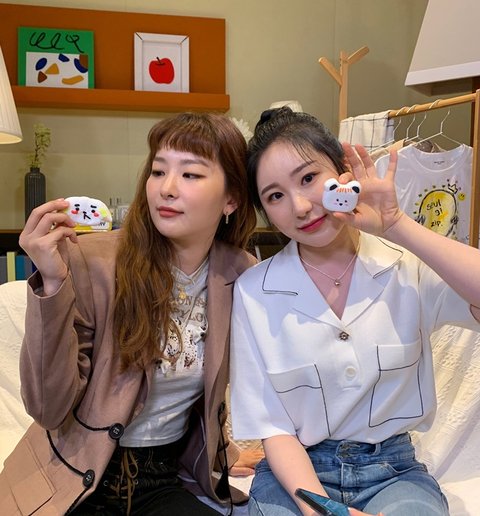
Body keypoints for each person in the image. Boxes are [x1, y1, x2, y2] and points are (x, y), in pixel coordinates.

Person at [0, 112, 263, 515]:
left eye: (190, 174)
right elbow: (48, 409)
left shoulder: (240, 274)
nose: (166, 189)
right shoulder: (92, 261)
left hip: (161, 480)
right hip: (75, 478)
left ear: (231, 199)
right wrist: (52, 285)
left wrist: (223, 450)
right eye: (158, 171)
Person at [229, 107, 480, 516]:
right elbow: (274, 427)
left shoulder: (406, 265)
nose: (300, 206)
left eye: (308, 178)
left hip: (393, 473)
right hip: (295, 476)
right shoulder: (254, 292)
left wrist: (397, 225)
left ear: (344, 171)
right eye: (275, 196)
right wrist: (321, 509)